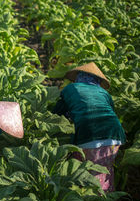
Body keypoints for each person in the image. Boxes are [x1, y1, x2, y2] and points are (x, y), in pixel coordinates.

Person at [52, 62, 126, 192]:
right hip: (114, 134)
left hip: (88, 134)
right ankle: (106, 200)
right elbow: (111, 112)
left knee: (80, 171)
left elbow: (57, 112)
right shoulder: (103, 92)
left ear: (79, 77)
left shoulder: (70, 89)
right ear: (97, 80)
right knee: (104, 169)